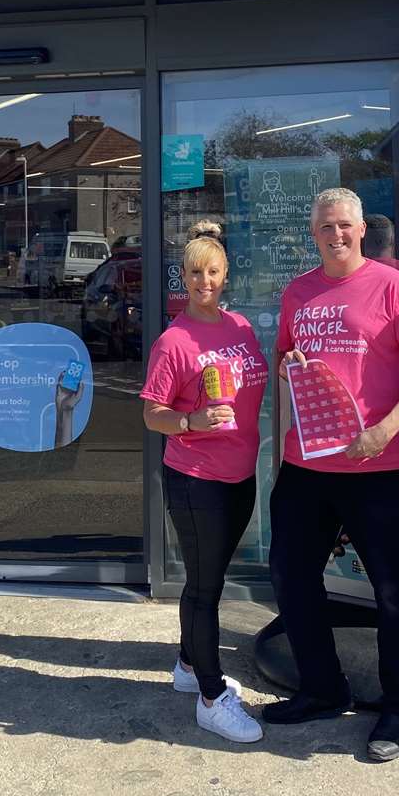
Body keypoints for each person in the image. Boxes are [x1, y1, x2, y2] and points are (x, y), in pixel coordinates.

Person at [266, 188, 399, 763]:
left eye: (343, 225)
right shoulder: (299, 292)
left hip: (375, 464)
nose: (335, 235)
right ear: (313, 233)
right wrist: (289, 364)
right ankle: (322, 688)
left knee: (393, 590)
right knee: (292, 578)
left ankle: (398, 705)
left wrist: (385, 431)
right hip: (305, 461)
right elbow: (285, 360)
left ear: (363, 229)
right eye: (324, 228)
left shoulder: (394, 288)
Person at [140, 221, 269, 744]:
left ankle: (188, 665)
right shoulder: (174, 341)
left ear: (225, 274)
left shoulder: (238, 326)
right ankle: (212, 698)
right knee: (204, 586)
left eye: (213, 271)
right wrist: (191, 422)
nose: (204, 281)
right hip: (197, 479)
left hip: (240, 472)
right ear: (184, 277)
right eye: (195, 273)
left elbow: (254, 380)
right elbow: (153, 414)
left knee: (208, 576)